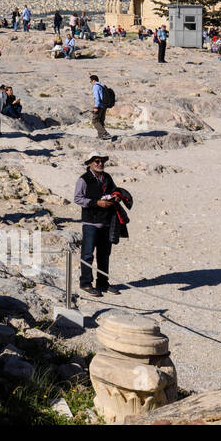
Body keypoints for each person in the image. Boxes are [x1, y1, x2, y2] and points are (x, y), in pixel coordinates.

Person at [74, 153, 121, 296]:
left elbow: (114, 190)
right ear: (90, 163)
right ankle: (86, 283)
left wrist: (116, 196)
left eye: (102, 161)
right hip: (90, 222)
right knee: (88, 254)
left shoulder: (107, 177)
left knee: (104, 254)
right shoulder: (83, 179)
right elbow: (77, 198)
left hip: (106, 221)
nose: (100, 164)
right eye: (97, 161)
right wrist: (96, 203)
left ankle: (103, 283)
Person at [88, 74, 110, 140]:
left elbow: (97, 98)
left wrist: (96, 107)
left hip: (99, 106)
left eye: (90, 81)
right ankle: (101, 135)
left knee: (94, 121)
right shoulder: (102, 85)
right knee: (100, 120)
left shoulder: (96, 86)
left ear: (94, 80)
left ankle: (104, 133)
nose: (91, 83)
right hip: (104, 106)